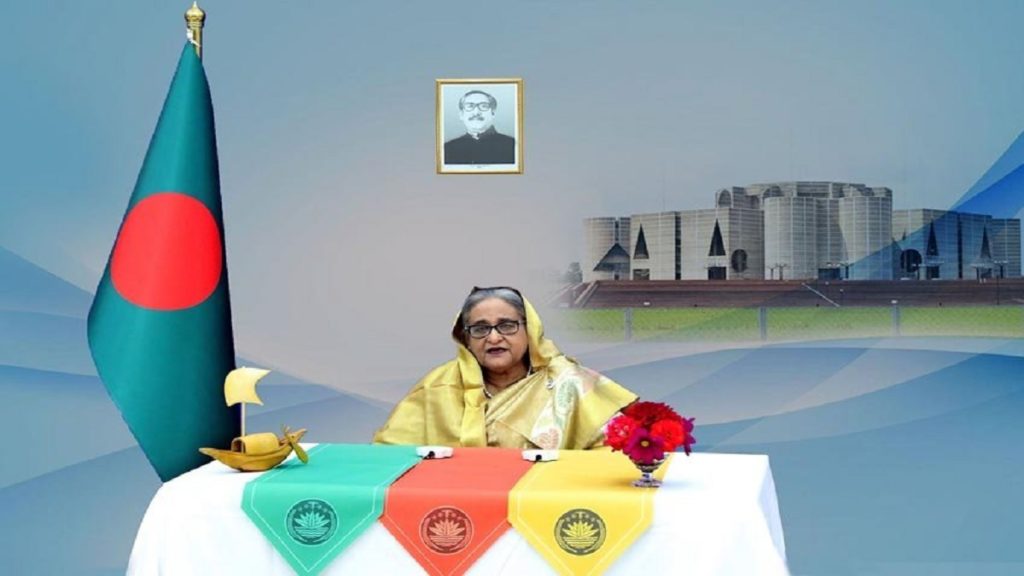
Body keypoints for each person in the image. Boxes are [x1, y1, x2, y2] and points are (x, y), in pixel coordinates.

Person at [374, 287, 637, 449]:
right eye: (480, 329)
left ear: (529, 330)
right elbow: (388, 456)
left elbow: (611, 452)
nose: (493, 338)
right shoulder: (438, 386)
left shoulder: (568, 382)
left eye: (507, 326)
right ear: (465, 338)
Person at [443, 90, 516, 165]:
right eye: (470, 106)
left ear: (493, 113)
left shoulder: (512, 145)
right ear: (461, 115)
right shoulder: (448, 148)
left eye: (483, 106)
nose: (476, 112)